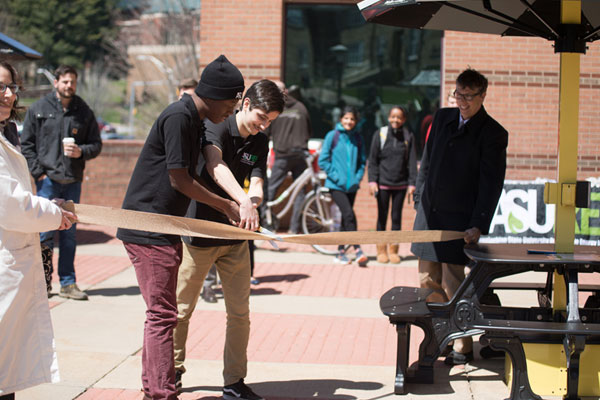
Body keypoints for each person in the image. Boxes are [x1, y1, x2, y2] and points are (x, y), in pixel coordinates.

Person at [116, 54, 243, 400]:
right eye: (233, 100)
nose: (233, 109)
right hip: (148, 227)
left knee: (161, 314)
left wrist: (239, 200)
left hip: (165, 226)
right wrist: (225, 204)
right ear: (217, 94)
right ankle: (161, 393)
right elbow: (179, 180)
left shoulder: (195, 118)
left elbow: (212, 161)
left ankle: (154, 389)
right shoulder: (177, 116)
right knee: (162, 315)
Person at [174, 79, 284, 400]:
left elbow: (257, 177)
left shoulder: (260, 141)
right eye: (261, 117)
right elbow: (216, 165)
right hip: (199, 234)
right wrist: (243, 200)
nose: (262, 125)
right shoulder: (216, 128)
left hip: (236, 239)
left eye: (270, 122)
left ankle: (234, 382)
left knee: (239, 314)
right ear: (245, 104)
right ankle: (174, 370)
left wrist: (256, 196)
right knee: (182, 310)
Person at [410, 68, 508, 365]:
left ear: (483, 96)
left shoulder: (493, 133)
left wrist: (478, 222)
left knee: (455, 282)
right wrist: (418, 197)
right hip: (429, 215)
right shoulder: (442, 118)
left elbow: (491, 183)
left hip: (460, 221)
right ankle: (442, 335)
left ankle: (461, 345)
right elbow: (426, 162)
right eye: (458, 94)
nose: (462, 101)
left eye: (468, 96)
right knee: (427, 280)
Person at [0, 61, 76, 400]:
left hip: (12, 259)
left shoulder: (6, 131)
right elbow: (10, 205)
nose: (7, 94)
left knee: (7, 371)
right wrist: (52, 212)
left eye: (11, 87)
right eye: (0, 87)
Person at [21, 65, 102, 301]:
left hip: (73, 181)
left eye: (72, 82)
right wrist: (40, 174)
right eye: (65, 81)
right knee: (44, 232)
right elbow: (27, 145)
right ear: (56, 82)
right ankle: (42, 283)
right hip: (48, 181)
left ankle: (68, 284)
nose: (69, 86)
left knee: (69, 235)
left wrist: (81, 152)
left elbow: (96, 144)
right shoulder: (38, 109)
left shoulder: (83, 111)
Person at [318, 106, 368, 266]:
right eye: (346, 118)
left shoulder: (358, 138)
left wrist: (357, 178)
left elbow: (362, 162)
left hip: (351, 186)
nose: (349, 121)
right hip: (335, 186)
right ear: (341, 119)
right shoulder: (332, 136)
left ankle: (340, 253)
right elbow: (323, 161)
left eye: (352, 119)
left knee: (347, 219)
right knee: (349, 215)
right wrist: (337, 177)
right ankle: (358, 249)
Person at [368, 106, 417, 264]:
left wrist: (412, 183)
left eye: (399, 117)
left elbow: (411, 161)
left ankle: (394, 250)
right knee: (382, 217)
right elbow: (373, 160)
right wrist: (372, 180)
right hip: (382, 184)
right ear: (388, 118)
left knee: (396, 218)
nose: (396, 120)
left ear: (404, 120)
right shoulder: (380, 134)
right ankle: (381, 250)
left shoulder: (408, 136)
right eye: (393, 117)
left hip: (401, 185)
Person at [264, 81, 311, 233]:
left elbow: (265, 132)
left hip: (282, 155)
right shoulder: (301, 107)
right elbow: (309, 131)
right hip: (300, 155)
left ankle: (266, 223)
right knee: (300, 192)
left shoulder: (274, 109)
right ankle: (294, 228)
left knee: (269, 190)